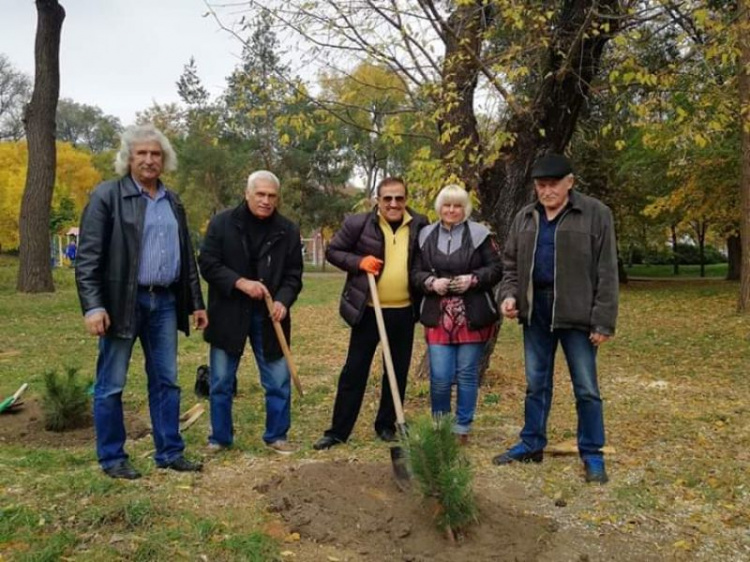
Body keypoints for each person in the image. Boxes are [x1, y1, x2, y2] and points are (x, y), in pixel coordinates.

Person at [76, 124, 208, 480]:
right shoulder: (107, 197)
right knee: (111, 383)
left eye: (156, 154)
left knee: (167, 381)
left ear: (164, 160)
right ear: (128, 158)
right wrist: (93, 306)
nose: (150, 160)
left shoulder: (173, 200)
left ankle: (169, 452)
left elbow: (186, 257)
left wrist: (196, 302)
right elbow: (87, 258)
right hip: (121, 303)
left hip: (164, 303)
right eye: (142, 153)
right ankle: (112, 458)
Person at [491, 153, 618, 484]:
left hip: (577, 312)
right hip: (536, 310)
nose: (546, 192)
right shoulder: (525, 217)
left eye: (552, 185)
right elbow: (510, 266)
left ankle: (592, 453)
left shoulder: (595, 214)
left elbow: (607, 271)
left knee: (587, 388)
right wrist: (508, 296)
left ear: (570, 183)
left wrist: (603, 321)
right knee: (536, 383)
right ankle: (532, 443)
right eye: (540, 185)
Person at [313, 177, 428, 450]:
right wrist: (359, 261)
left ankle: (386, 425)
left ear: (406, 199)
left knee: (397, 370)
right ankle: (338, 431)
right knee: (354, 370)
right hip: (367, 311)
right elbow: (334, 251)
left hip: (403, 311)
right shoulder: (359, 224)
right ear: (378, 200)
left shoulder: (421, 224)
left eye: (399, 198)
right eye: (387, 198)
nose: (393, 203)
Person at [198, 171, 303, 455]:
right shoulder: (222, 224)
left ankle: (276, 436)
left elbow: (294, 274)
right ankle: (220, 437)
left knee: (278, 380)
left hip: (270, 317)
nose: (266, 201)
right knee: (220, 380)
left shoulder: (288, 230)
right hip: (229, 312)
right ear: (247, 194)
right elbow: (207, 263)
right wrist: (240, 283)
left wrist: (283, 300)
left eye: (271, 196)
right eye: (260, 194)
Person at [411, 185, 502, 445]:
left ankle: (462, 427)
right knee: (439, 376)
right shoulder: (425, 235)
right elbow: (414, 272)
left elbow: (496, 269)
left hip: (471, 317)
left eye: (457, 205)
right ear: (440, 207)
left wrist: (473, 279)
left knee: (466, 374)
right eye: (447, 205)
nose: (451, 210)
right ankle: (441, 424)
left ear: (465, 209)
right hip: (438, 316)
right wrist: (430, 282)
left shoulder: (480, 234)